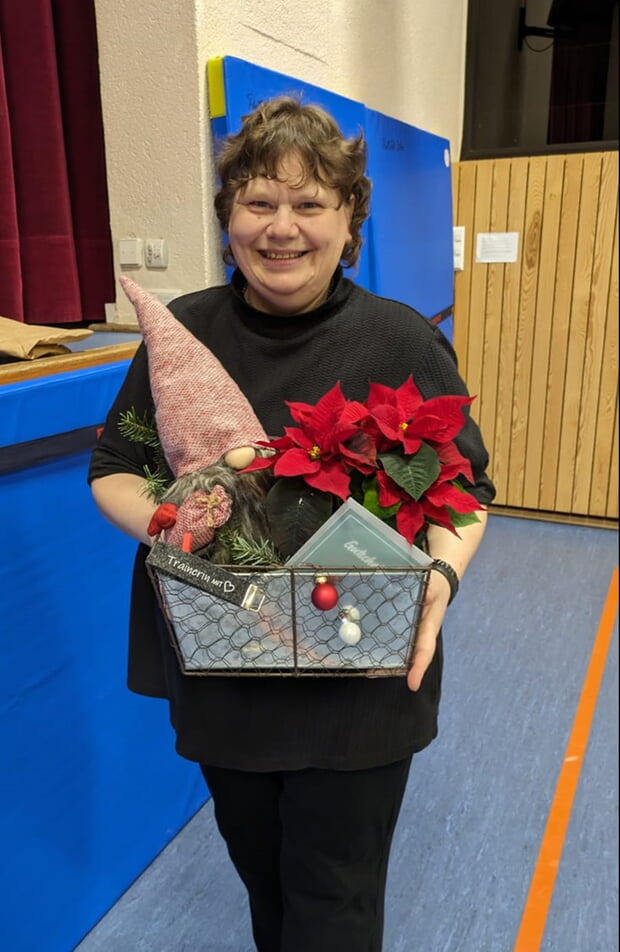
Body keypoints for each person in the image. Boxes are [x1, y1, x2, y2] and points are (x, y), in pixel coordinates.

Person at [89, 96, 495, 952]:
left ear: (349, 221)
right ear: (228, 216)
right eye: (258, 202)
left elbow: (466, 489)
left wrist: (440, 580)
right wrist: (182, 519)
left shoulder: (400, 342)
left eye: (310, 203)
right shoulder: (184, 332)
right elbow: (114, 469)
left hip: (359, 681)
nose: (282, 227)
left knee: (335, 898)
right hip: (226, 674)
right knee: (265, 880)